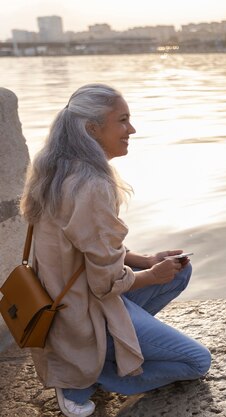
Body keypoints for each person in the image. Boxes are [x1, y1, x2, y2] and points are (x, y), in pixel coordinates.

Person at [20, 84, 212, 417]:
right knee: (196, 361)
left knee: (180, 272)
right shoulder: (90, 184)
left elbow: (90, 251)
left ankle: (103, 354)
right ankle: (85, 374)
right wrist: (151, 275)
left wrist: (148, 262)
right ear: (92, 129)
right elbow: (105, 282)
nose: (131, 130)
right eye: (122, 121)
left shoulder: (56, 166)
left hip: (68, 300)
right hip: (82, 315)